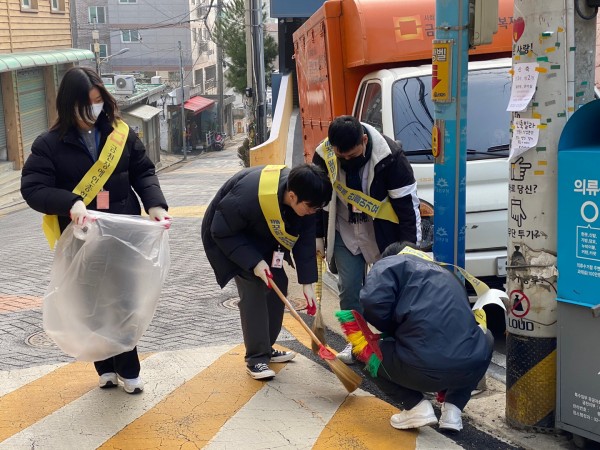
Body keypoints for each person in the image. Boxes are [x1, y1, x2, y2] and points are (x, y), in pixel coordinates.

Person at [21, 66, 171, 394]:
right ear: (68, 105)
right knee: (91, 303)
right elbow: (33, 189)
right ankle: (104, 366)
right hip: (81, 240)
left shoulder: (121, 133)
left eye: (98, 100)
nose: (94, 108)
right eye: (86, 103)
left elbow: (143, 172)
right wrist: (71, 203)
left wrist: (156, 205)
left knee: (123, 301)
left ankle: (128, 370)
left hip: (122, 236)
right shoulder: (48, 145)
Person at [201, 164, 333, 380]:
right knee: (255, 290)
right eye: (311, 208)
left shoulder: (308, 198)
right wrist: (254, 262)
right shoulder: (248, 196)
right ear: (292, 196)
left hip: (266, 238)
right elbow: (221, 230)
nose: (312, 213)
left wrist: (308, 283)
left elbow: (305, 240)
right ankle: (256, 359)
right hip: (230, 236)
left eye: (317, 209)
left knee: (278, 284)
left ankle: (266, 347)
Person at [311, 115, 421, 364]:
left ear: (363, 139)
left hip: (381, 230)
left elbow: (407, 208)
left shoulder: (390, 157)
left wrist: (409, 248)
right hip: (343, 228)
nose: (347, 161)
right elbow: (317, 200)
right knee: (349, 289)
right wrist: (317, 236)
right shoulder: (324, 155)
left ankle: (394, 344)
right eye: (342, 157)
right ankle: (357, 344)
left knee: (390, 289)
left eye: (352, 155)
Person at [359, 241, 494, 432]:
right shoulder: (448, 273)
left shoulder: (389, 264)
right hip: (466, 369)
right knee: (485, 337)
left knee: (360, 349)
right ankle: (453, 411)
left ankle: (415, 406)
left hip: (420, 368)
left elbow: (372, 302)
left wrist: (390, 330)